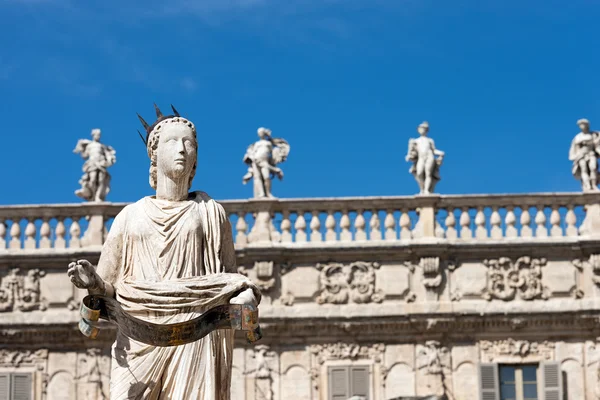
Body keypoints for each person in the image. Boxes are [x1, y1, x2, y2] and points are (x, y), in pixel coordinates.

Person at [68, 105, 260, 399]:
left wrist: (244, 294)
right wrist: (92, 282)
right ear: (154, 155)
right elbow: (106, 288)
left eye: (189, 143)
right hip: (137, 337)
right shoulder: (130, 217)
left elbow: (228, 278)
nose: (182, 149)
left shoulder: (211, 213)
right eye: (172, 142)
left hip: (196, 331)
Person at [73, 129, 116, 202]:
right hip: (92, 163)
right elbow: (85, 156)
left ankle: (98, 196)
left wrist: (109, 160)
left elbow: (107, 155)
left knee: (101, 181)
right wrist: (80, 148)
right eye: (96, 135)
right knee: (92, 180)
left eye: (99, 135)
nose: (98, 136)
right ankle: (92, 195)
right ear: (93, 135)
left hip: (101, 163)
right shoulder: (90, 145)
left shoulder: (102, 146)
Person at [405, 121, 445, 195]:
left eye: (423, 128)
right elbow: (411, 152)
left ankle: (426, 191)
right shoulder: (415, 141)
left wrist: (441, 153)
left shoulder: (430, 140)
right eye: (420, 128)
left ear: (426, 130)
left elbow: (434, 150)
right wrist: (409, 156)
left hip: (429, 157)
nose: (422, 130)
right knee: (419, 173)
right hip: (421, 158)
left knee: (428, 174)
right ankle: (422, 189)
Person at [569, 118, 600, 191]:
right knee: (584, 170)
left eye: (583, 124)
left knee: (593, 168)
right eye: (580, 125)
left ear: (587, 125)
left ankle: (593, 185)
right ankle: (587, 186)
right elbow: (574, 148)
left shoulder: (593, 135)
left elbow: (597, 144)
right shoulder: (578, 137)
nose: (581, 126)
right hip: (581, 156)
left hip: (591, 154)